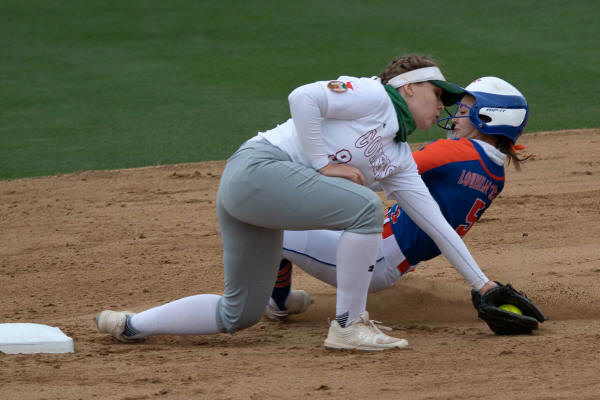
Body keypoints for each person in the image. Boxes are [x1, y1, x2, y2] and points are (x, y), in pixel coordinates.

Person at [96, 54, 490, 352]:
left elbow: (436, 224)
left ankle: (131, 324)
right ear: (409, 88)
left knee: (238, 313)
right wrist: (322, 164)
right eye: (438, 95)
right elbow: (302, 97)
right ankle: (349, 325)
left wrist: (483, 285)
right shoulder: (373, 95)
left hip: (260, 198)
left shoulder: (398, 158)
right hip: (256, 170)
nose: (443, 106)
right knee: (366, 208)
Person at [263, 76, 531, 321]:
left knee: (269, 221)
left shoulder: (456, 152)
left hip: (374, 257)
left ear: (488, 118)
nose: (455, 119)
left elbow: (384, 171)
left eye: (463, 112)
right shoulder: (494, 174)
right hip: (388, 260)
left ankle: (278, 302)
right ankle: (282, 298)